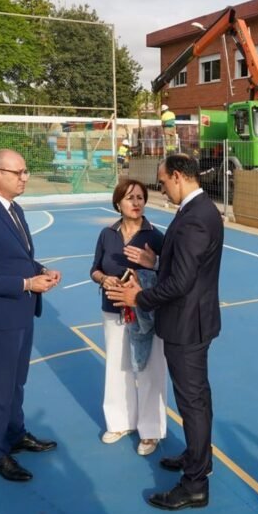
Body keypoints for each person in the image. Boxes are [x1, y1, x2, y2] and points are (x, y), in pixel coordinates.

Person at [107, 154, 224, 511]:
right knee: (197, 397)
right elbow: (187, 266)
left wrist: (139, 296)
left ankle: (195, 484)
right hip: (194, 320)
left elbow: (181, 282)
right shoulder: (200, 210)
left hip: (187, 324)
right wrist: (154, 262)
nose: (161, 189)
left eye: (162, 182)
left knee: (192, 401)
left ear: (177, 177)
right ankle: (196, 458)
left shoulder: (194, 220)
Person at [0, 148, 62, 482]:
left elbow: (15, 258)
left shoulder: (12, 209)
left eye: (25, 171)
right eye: (17, 172)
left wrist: (39, 269)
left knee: (16, 382)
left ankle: (15, 433)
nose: (24, 178)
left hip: (19, 312)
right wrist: (26, 282)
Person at [90, 179, 167, 456]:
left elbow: (171, 275)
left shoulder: (155, 237)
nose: (136, 203)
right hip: (113, 309)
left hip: (145, 311)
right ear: (118, 203)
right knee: (117, 366)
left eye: (140, 198)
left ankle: (151, 430)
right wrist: (104, 279)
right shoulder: (107, 234)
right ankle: (120, 422)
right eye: (129, 198)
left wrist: (152, 265)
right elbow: (95, 269)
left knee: (149, 369)